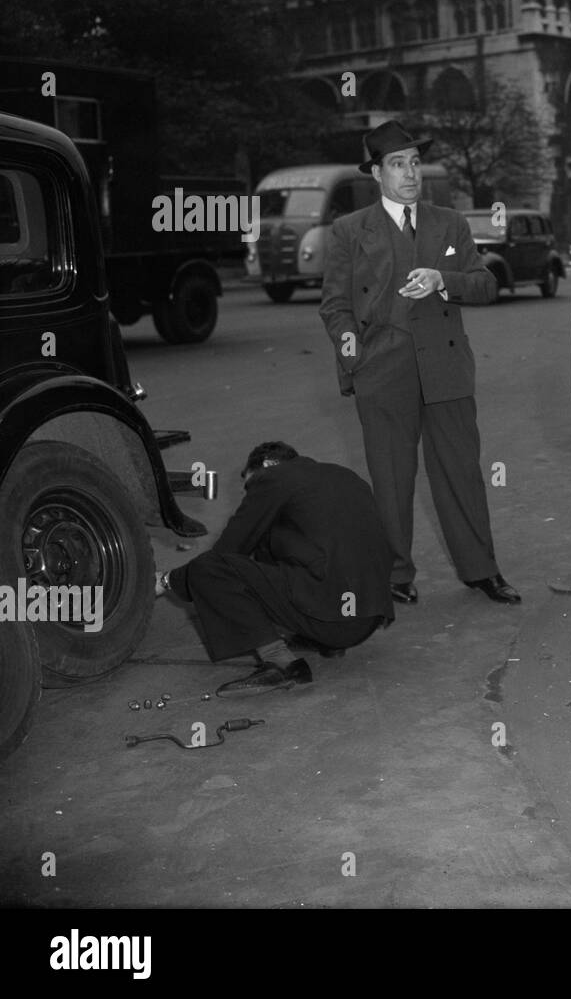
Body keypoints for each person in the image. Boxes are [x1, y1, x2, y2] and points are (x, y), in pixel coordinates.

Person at [320, 121, 520, 608]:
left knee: (462, 472)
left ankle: (481, 569)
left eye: (414, 162)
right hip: (381, 370)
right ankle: (396, 573)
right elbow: (335, 307)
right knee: (391, 477)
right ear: (375, 173)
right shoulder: (348, 231)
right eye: (396, 164)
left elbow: (485, 285)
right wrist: (357, 362)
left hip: (445, 367)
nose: (410, 173)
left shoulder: (448, 222)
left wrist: (442, 279)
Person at [156, 442, 394, 696]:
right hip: (366, 617)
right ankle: (324, 641)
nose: (250, 495)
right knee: (275, 546)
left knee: (208, 568)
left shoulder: (276, 477)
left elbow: (226, 553)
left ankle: (281, 663)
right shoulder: (345, 476)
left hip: (332, 620)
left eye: (250, 485)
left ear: (268, 465)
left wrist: (168, 580)